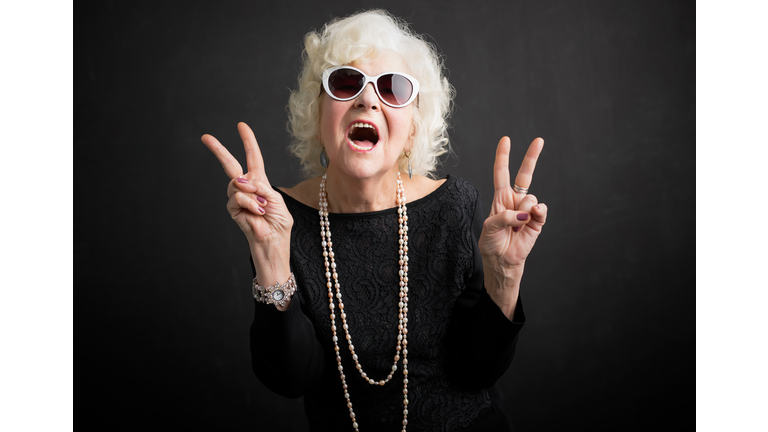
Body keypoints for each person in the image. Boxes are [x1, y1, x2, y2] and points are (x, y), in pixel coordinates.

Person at [201, 9, 547, 432]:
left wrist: (506, 276)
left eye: (393, 89)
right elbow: (290, 379)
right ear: (318, 111)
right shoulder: (277, 217)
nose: (368, 100)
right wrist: (272, 260)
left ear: (414, 127)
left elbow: (476, 371)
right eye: (346, 83)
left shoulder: (456, 208)